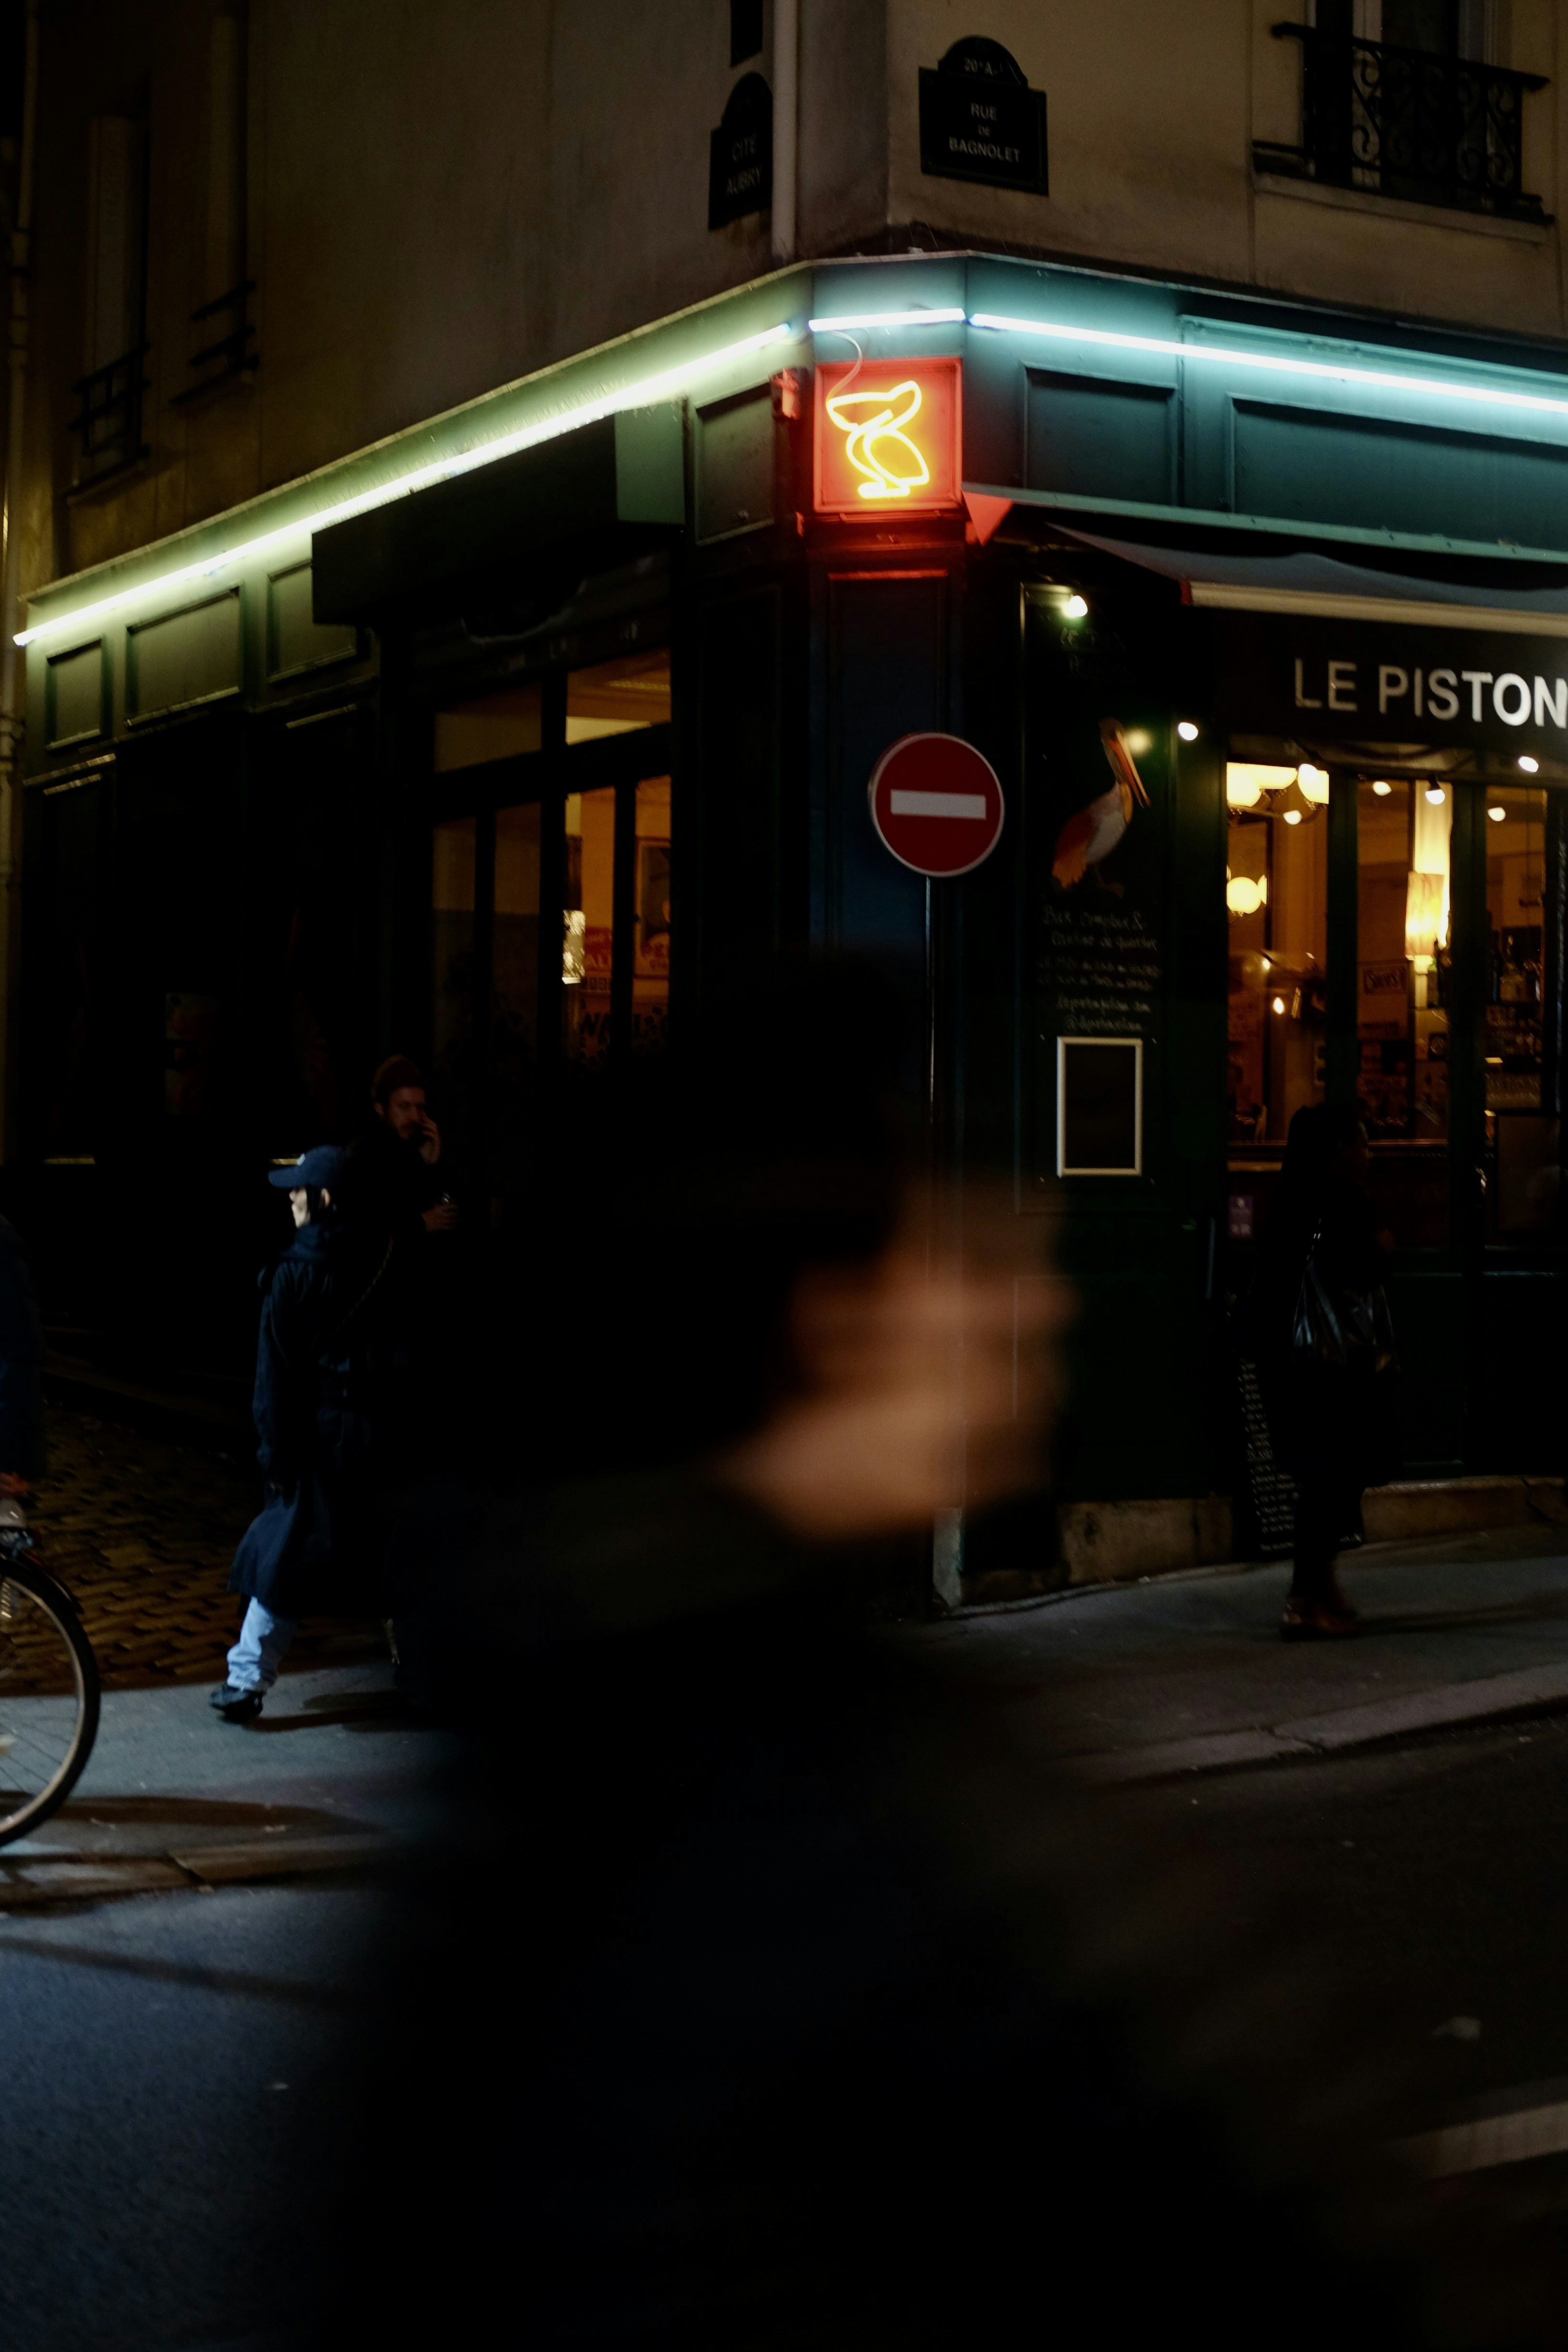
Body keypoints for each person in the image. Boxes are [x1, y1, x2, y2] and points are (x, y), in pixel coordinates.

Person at [210, 1146, 395, 1724]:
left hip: (319, 1436)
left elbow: (274, 1378)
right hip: (379, 1432)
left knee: (284, 1556)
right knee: (393, 1556)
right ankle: (426, 1675)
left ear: (326, 1198)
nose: (291, 1196)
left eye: (301, 1188)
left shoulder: (294, 1273)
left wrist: (273, 1452)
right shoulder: (386, 1257)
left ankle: (246, 1681)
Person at [1250, 1101, 1399, 1641]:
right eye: (1361, 1142)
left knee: (1324, 1474)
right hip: (1331, 1363)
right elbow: (1351, 1271)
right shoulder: (1339, 1201)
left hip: (1291, 1359)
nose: (1369, 1151)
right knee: (1332, 1476)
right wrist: (1382, 1252)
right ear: (1338, 1149)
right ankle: (1304, 1597)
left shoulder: (1290, 1198)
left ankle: (1321, 1583)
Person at [347, 1055, 457, 1241]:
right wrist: (418, 1223)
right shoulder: (363, 1155)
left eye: (420, 1107)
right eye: (404, 1107)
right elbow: (361, 1226)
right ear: (381, 1108)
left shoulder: (419, 1147)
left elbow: (447, 1213)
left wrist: (433, 1164)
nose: (415, 1116)